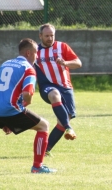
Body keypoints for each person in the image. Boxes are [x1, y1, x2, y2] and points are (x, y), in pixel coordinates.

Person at [0, 38, 56, 174]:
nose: (37, 56)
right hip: (10, 108)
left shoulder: (5, 64)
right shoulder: (28, 68)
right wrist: (26, 103)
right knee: (44, 126)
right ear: (29, 53)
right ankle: (37, 167)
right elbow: (27, 94)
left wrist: (6, 121)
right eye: (36, 53)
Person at [34, 23, 82, 155]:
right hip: (47, 87)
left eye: (52, 35)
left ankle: (45, 150)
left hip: (65, 87)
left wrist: (65, 63)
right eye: (47, 36)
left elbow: (78, 63)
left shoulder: (62, 46)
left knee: (65, 118)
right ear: (40, 36)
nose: (50, 38)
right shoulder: (35, 51)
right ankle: (69, 128)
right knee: (54, 94)